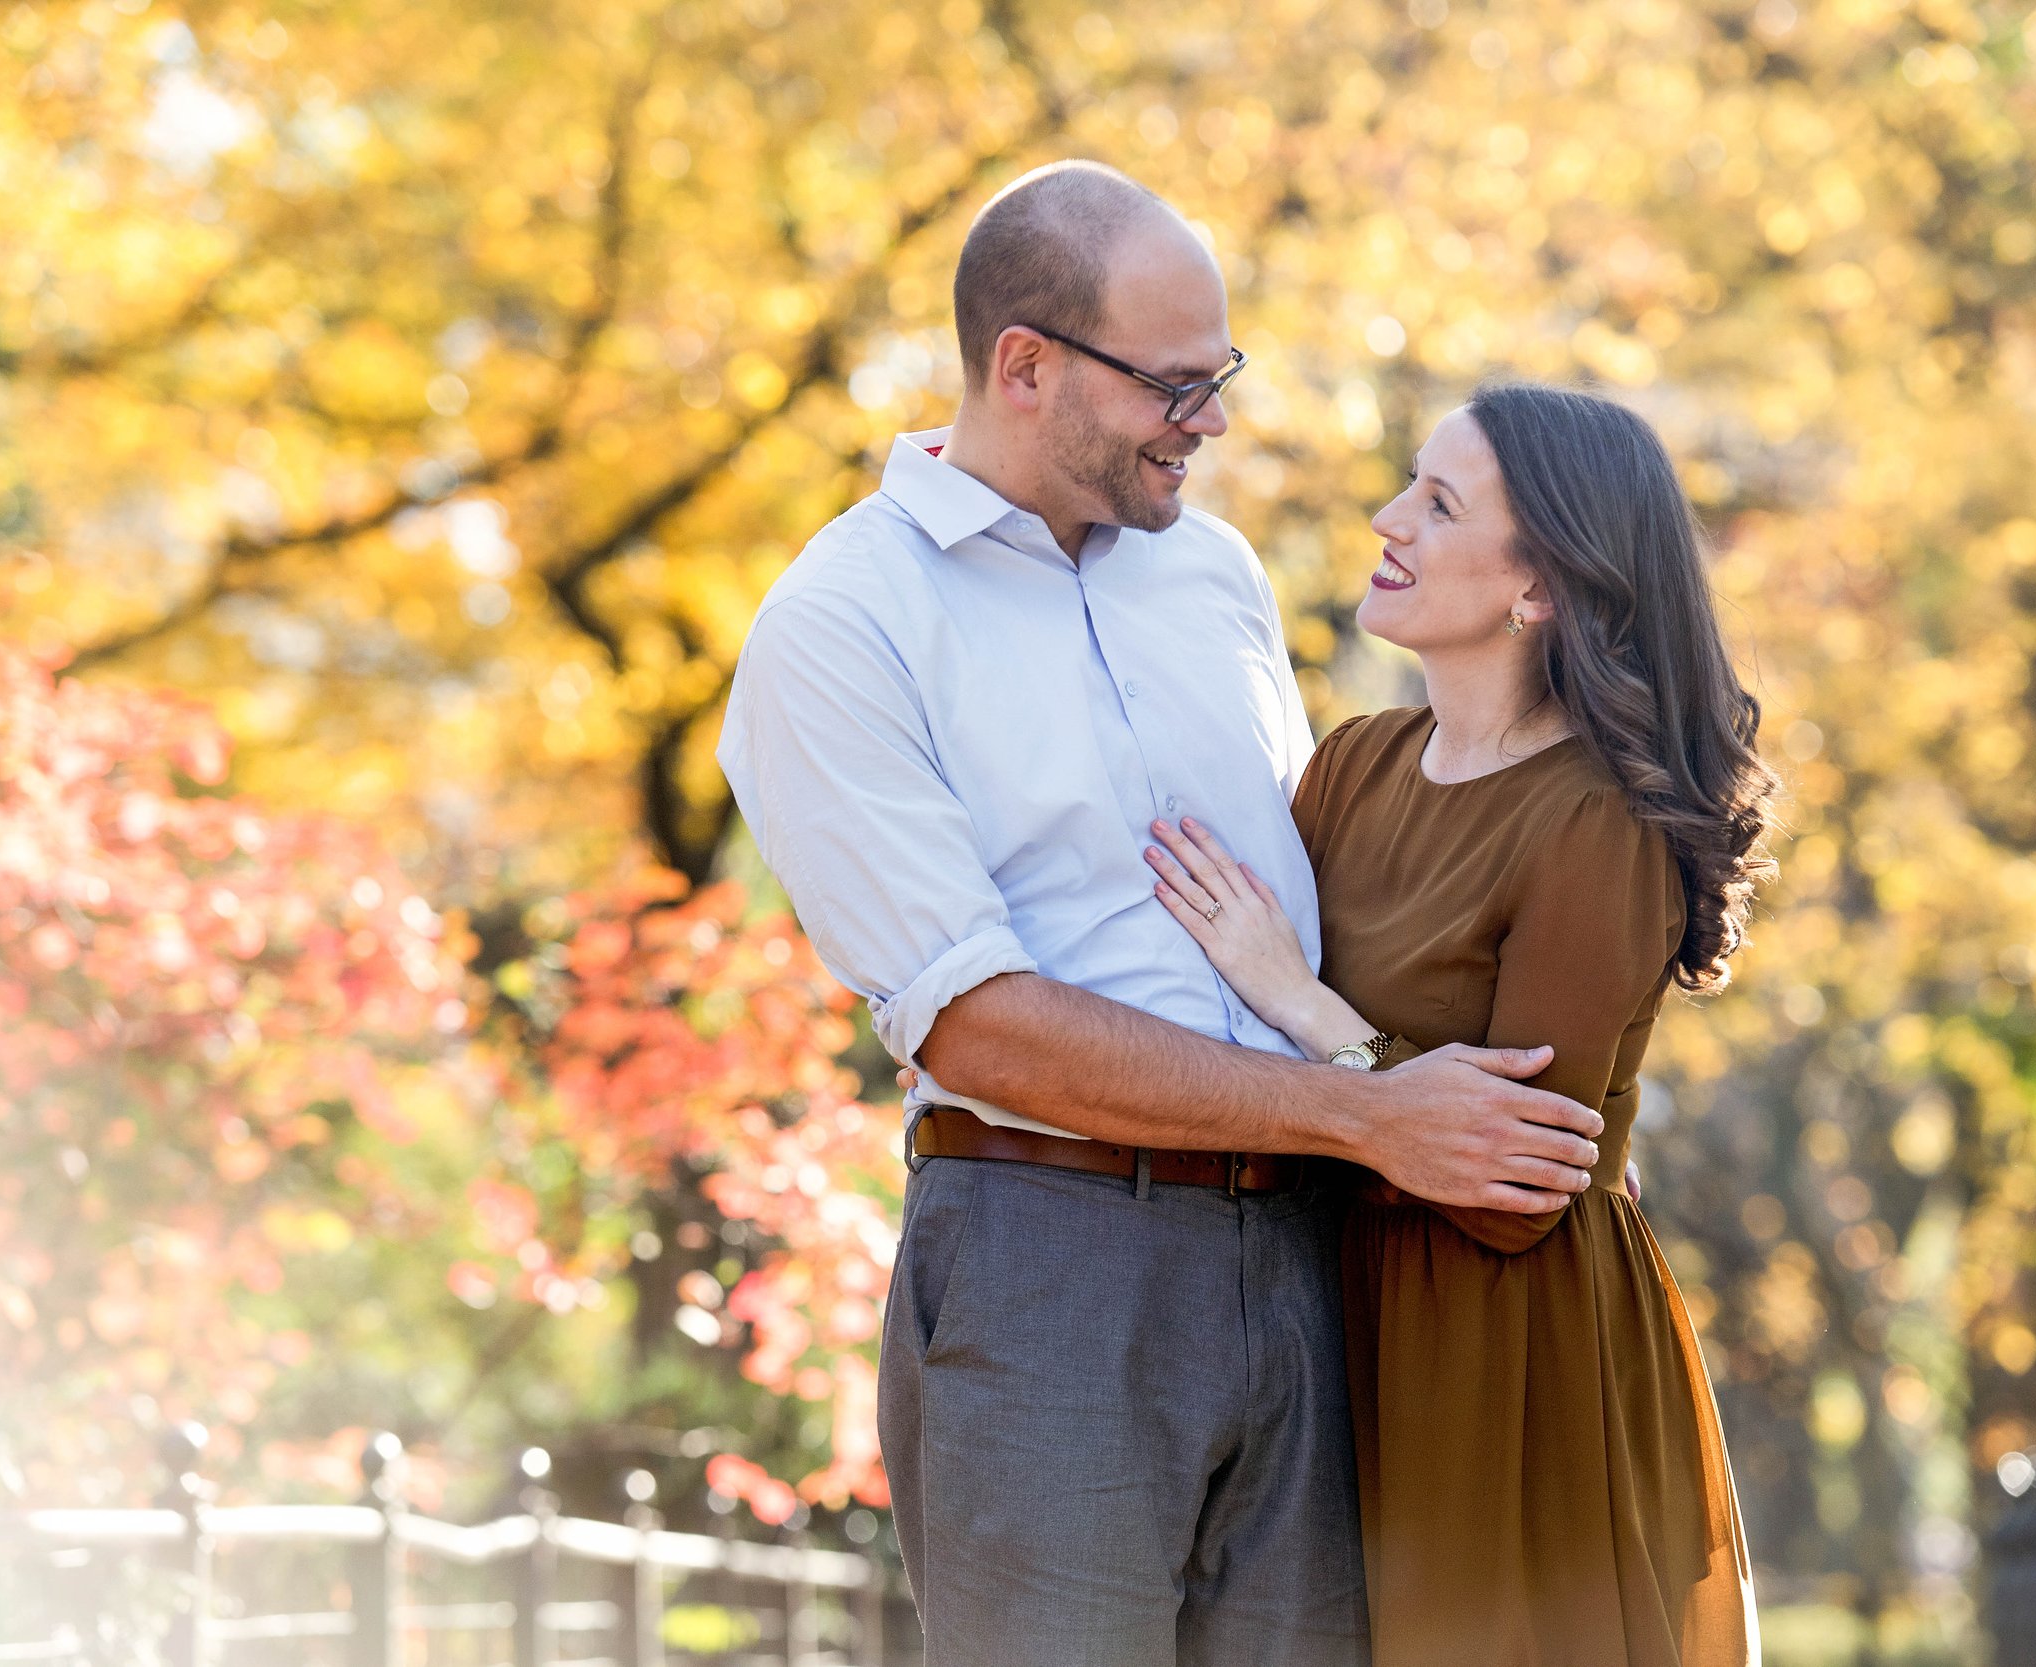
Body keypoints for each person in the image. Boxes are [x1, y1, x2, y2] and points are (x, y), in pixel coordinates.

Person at [716, 161, 1607, 1667]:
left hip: (1314, 1255)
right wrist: (1369, 1115)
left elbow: (1312, 901)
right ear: (1025, 365)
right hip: (1052, 1258)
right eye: (1175, 386)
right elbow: (980, 1023)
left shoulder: (1212, 572)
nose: (1214, 419)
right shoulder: (842, 624)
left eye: (1223, 376)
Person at [1138, 383, 1777, 1666]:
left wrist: (1304, 1002)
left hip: (1502, 1351)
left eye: (1437, 502)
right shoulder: (1353, 765)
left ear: (1538, 584)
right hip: (1321, 1310)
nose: (1388, 518)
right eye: (1406, 485)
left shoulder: (1596, 818)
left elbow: (1507, 1192)